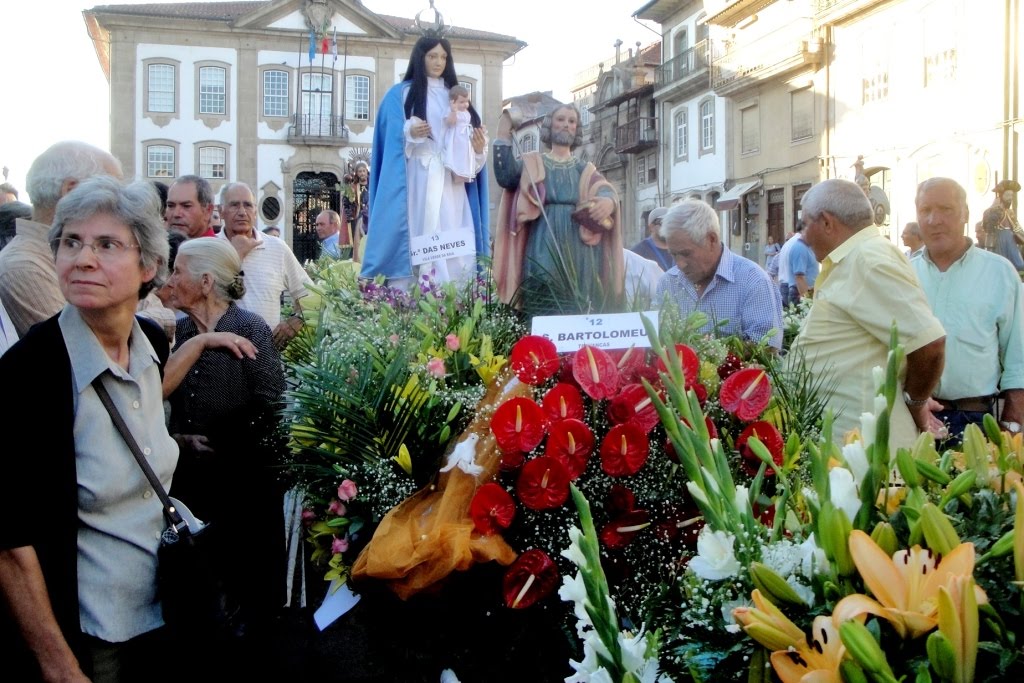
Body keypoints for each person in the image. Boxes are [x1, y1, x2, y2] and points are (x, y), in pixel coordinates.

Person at [0, 176, 177, 682]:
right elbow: (11, 542)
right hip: (93, 636)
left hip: (163, 610)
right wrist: (59, 666)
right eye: (70, 242)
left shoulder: (149, 343)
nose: (82, 258)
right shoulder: (30, 371)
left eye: (106, 245)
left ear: (148, 266)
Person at [162, 237, 287, 630]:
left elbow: (273, 401)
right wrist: (180, 441)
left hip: (244, 488)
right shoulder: (181, 333)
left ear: (204, 282)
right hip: (192, 489)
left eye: (178, 270)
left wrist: (231, 443)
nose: (171, 279)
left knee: (247, 598)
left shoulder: (248, 326)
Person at [790, 178, 946, 449]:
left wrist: (916, 402)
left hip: (866, 457)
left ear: (827, 222)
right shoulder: (855, 258)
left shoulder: (868, 260)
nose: (803, 236)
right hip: (849, 452)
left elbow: (929, 344)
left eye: (805, 224)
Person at [360, 36, 489, 287]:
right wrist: (410, 133)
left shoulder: (459, 100)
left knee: (453, 235)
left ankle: (454, 295)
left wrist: (478, 149)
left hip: (452, 183)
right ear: (420, 58)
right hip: (417, 180)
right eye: (432, 56)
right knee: (418, 231)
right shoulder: (401, 95)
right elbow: (389, 141)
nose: (438, 62)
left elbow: (469, 148)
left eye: (443, 56)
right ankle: (409, 294)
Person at [911, 177, 1024, 444]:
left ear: (965, 214)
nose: (934, 220)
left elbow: (1018, 354)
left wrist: (1013, 424)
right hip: (911, 418)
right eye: (925, 211)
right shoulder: (903, 273)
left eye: (945, 209)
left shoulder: (999, 273)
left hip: (973, 421)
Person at [493, 103, 623, 314]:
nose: (566, 125)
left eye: (572, 121)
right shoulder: (534, 163)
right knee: (542, 287)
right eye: (561, 120)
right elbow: (505, 175)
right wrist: (503, 132)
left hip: (579, 244)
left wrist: (609, 202)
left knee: (579, 296)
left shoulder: (584, 169)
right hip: (543, 237)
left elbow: (604, 189)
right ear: (549, 126)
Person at [0, 141, 122, 338]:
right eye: (113, 191)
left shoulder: (72, 253)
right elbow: (86, 350)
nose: (121, 204)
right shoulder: (23, 267)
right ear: (71, 190)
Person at [656, 199, 783, 348]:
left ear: (711, 240)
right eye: (674, 255)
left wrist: (711, 355)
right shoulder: (668, 283)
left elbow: (767, 347)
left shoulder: (753, 280)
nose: (680, 264)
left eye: (686, 254)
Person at [217, 182, 312, 348]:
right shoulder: (210, 249)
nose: (242, 212)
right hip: (221, 356)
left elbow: (309, 295)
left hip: (266, 355)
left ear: (255, 211)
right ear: (221, 211)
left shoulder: (277, 247)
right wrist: (236, 255)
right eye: (234, 205)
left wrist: (297, 319)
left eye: (247, 205)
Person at [982, 180, 1024, 269]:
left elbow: (1017, 228)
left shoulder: (1010, 212)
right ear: (1001, 196)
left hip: (1010, 239)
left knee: (1019, 264)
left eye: (1011, 196)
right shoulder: (993, 211)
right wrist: (994, 210)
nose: (1010, 198)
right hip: (999, 238)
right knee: (1000, 263)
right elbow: (987, 226)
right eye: (1008, 195)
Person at [443, 85, 478, 182]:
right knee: (457, 155)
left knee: (465, 155)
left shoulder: (466, 112)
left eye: (467, 101)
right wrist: (453, 111)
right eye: (462, 102)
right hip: (456, 137)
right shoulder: (452, 111)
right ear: (453, 102)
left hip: (465, 138)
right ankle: (456, 173)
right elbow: (450, 122)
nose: (465, 104)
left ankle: (464, 172)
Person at [779, 224, 818, 306]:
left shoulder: (791, 243)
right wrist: (807, 300)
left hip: (787, 285)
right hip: (798, 290)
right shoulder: (800, 246)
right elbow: (799, 276)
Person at [630, 207, 673, 272]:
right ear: (651, 227)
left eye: (671, 223)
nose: (668, 227)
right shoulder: (639, 252)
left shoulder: (680, 249)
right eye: (663, 222)